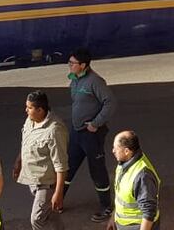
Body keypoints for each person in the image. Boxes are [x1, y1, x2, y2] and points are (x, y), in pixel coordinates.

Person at [65, 47, 117, 222]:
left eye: (72, 63)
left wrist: (95, 123)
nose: (69, 65)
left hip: (91, 134)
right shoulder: (75, 79)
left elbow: (109, 102)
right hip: (77, 132)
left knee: (97, 170)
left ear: (83, 65)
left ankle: (106, 207)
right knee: (68, 166)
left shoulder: (95, 81)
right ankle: (56, 200)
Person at [14, 90, 68, 230]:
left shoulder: (54, 130)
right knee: (50, 214)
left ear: (40, 110)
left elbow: (61, 164)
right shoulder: (30, 121)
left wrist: (58, 192)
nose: (26, 110)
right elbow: (26, 143)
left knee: (37, 219)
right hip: (33, 179)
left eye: (30, 108)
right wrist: (19, 162)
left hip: (47, 183)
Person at [108, 130, 160, 230]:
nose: (113, 151)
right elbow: (121, 196)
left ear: (127, 151)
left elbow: (149, 211)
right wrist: (114, 217)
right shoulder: (124, 164)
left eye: (116, 148)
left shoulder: (142, 176)